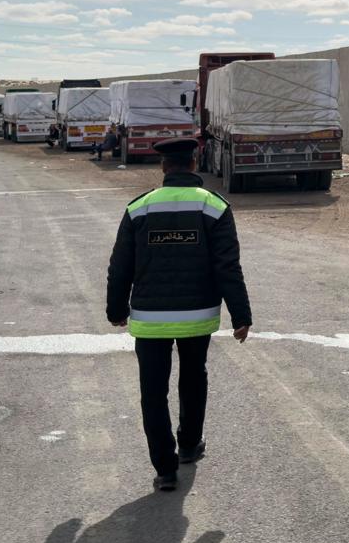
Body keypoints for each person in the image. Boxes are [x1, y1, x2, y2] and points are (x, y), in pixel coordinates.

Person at [105, 136, 253, 491]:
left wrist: (115, 310)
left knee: (152, 392)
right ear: (194, 162)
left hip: (149, 318)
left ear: (163, 167)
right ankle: (189, 444)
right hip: (197, 315)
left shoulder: (139, 208)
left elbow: (120, 266)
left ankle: (165, 469)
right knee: (193, 376)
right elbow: (227, 267)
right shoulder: (214, 206)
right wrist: (241, 314)